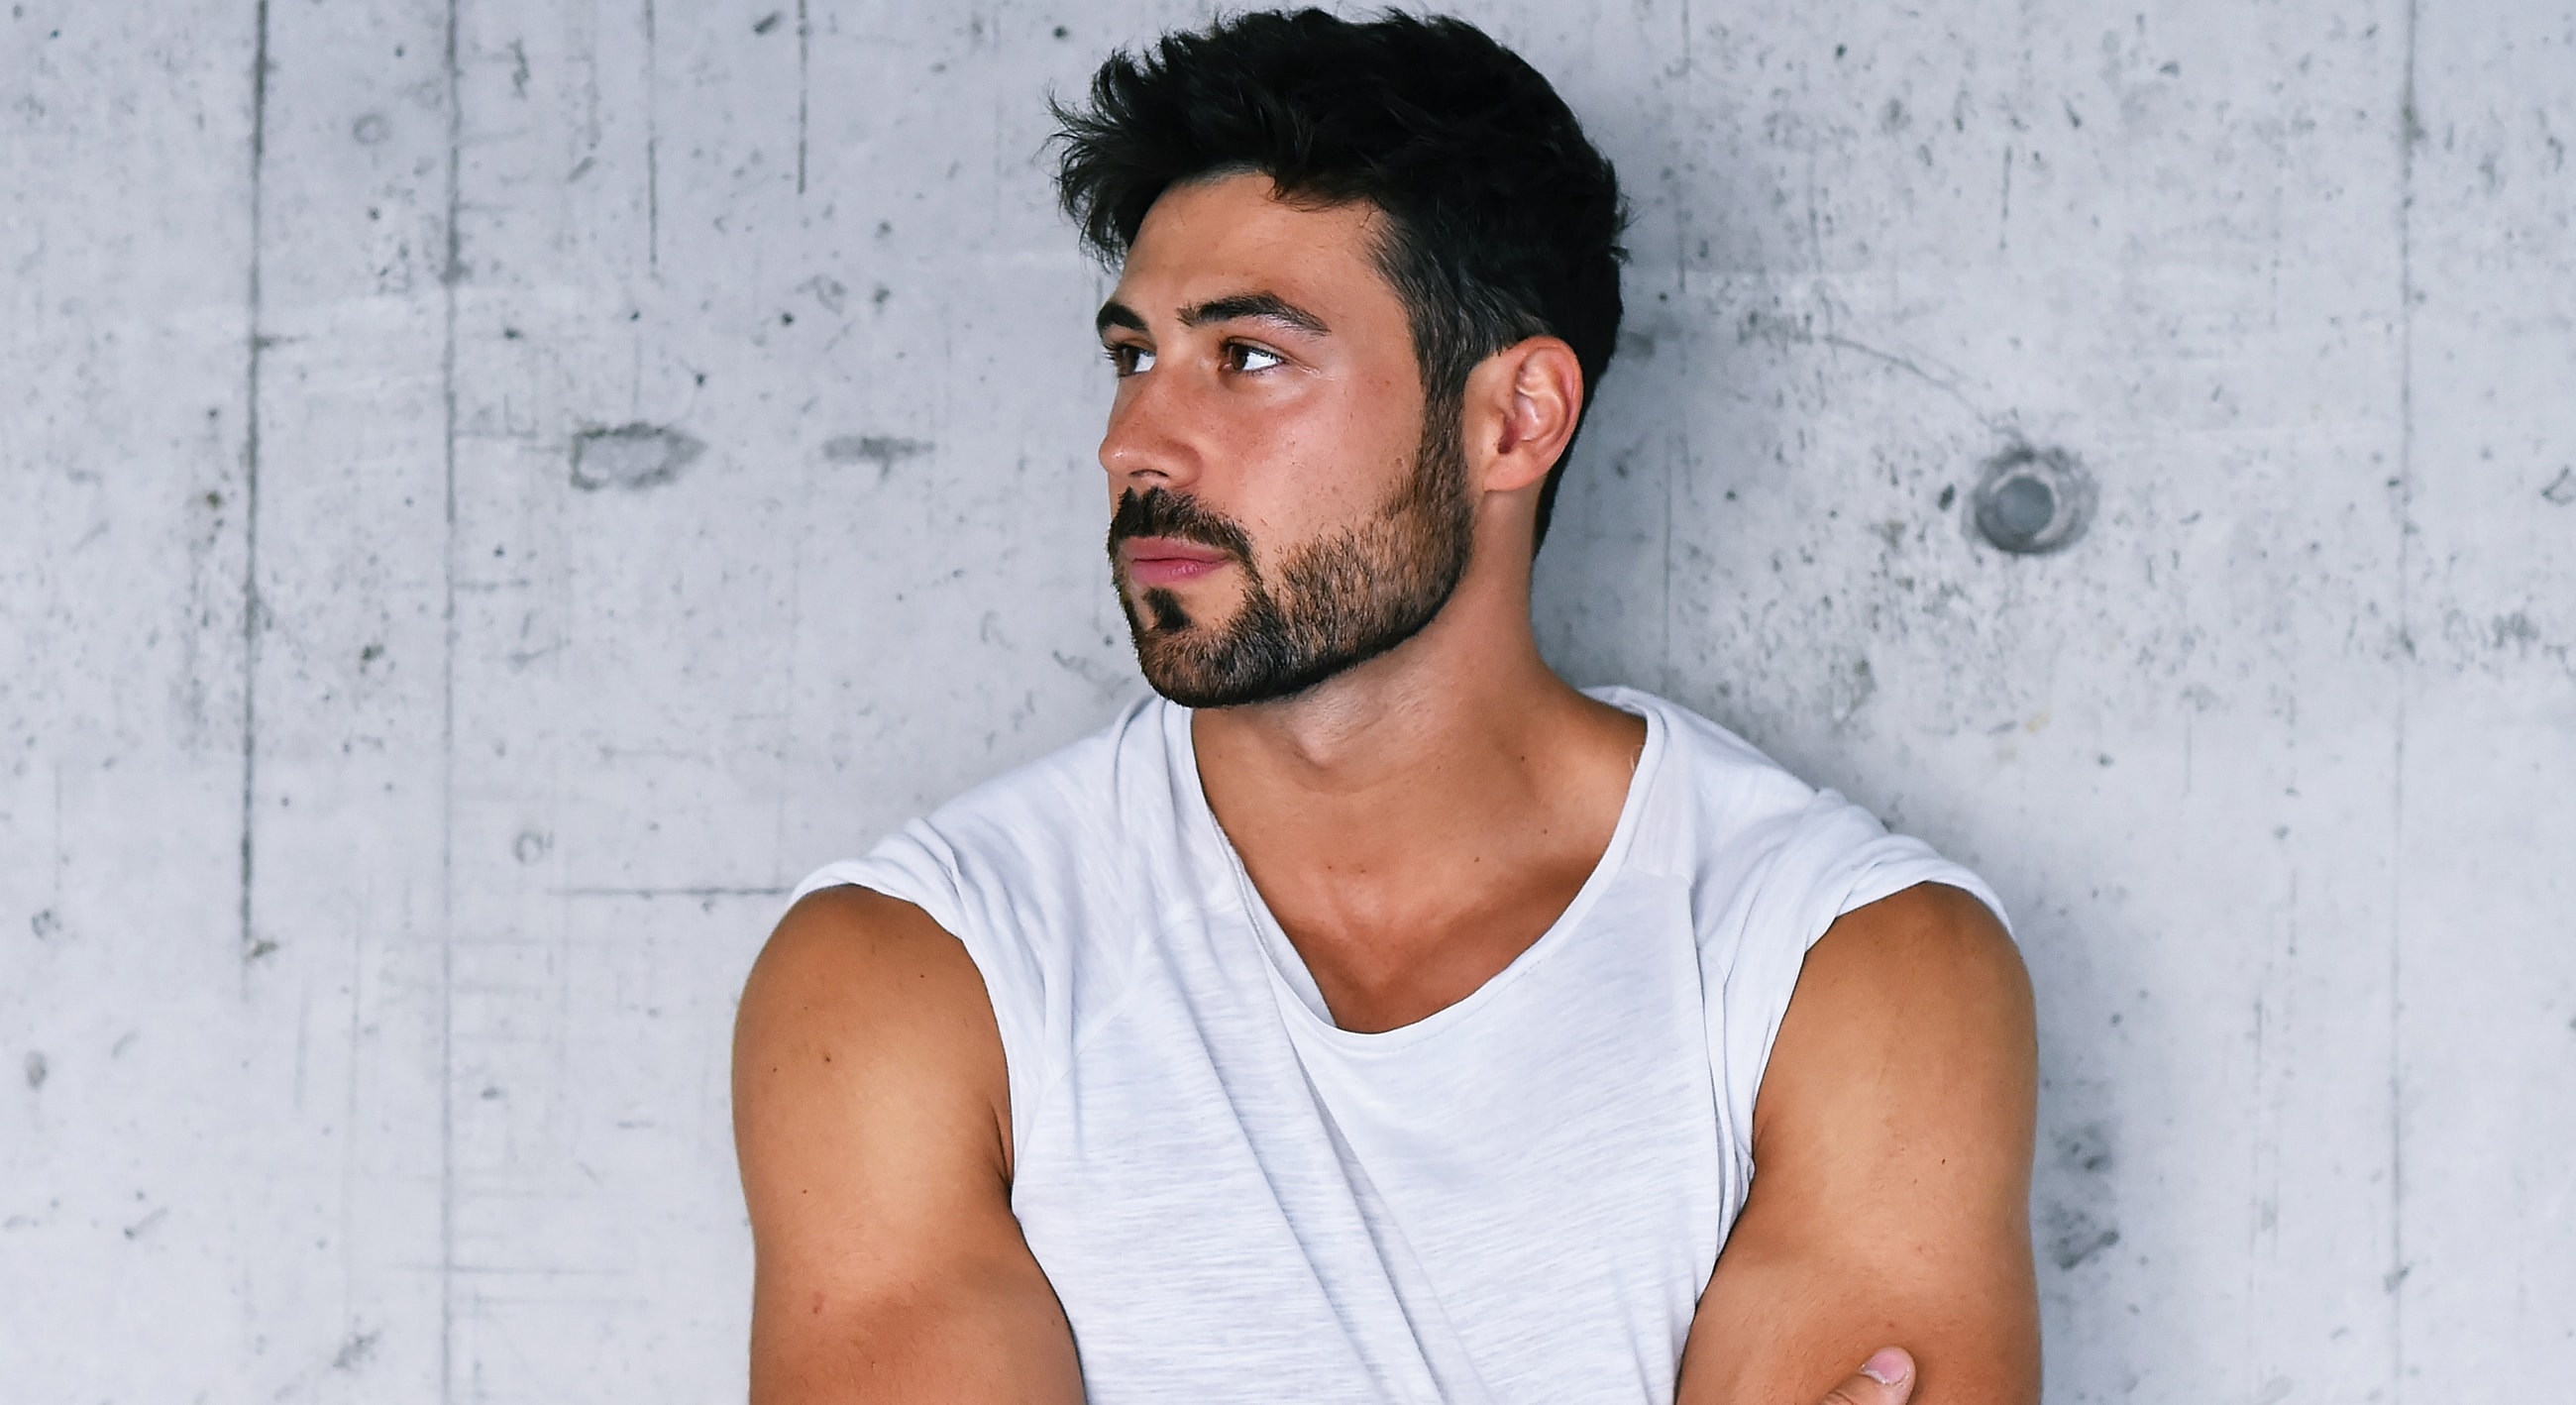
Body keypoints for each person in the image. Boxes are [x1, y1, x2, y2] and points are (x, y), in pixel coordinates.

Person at [732, 10, 2039, 1403]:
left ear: (1515, 419)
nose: (1135, 444)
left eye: (1247, 357)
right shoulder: (913, 980)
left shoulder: (1850, 970)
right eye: (1133, 355)